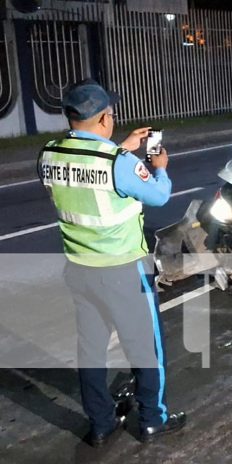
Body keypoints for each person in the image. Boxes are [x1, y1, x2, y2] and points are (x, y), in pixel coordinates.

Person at [37, 79, 186, 446]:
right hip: (123, 270)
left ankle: (101, 424)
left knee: (90, 349)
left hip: (79, 269)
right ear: (105, 117)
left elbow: (89, 170)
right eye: (111, 113)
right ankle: (153, 419)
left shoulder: (49, 153)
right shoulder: (119, 163)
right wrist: (160, 166)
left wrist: (120, 148)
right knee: (146, 347)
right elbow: (159, 196)